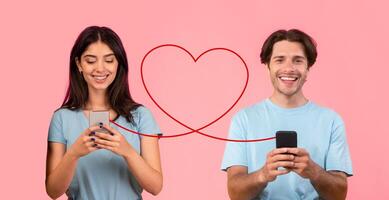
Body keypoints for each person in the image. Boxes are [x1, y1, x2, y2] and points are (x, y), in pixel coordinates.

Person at [221, 29, 352, 200]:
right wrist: (263, 174)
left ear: (308, 68)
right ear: (267, 66)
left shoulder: (331, 121)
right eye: (279, 60)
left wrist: (314, 171)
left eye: (298, 61)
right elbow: (235, 193)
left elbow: (339, 194)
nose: (289, 68)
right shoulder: (243, 119)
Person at [45, 26, 163, 200]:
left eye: (109, 60)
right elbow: (53, 191)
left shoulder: (140, 116)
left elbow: (155, 187)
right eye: (91, 61)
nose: (100, 69)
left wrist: (127, 152)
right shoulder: (62, 118)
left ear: (118, 63)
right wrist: (74, 153)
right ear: (79, 64)